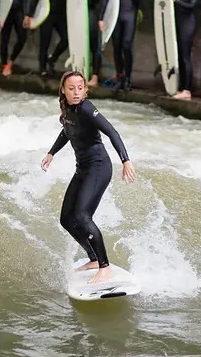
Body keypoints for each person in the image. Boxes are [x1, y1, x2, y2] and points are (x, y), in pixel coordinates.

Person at [40, 71, 137, 284]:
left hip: (99, 167)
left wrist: (125, 160)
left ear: (85, 90)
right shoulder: (67, 110)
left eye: (80, 88)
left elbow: (112, 132)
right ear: (63, 90)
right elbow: (67, 131)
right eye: (71, 88)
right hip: (82, 169)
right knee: (66, 219)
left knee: (83, 217)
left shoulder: (86, 108)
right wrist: (51, 153)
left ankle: (104, 266)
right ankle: (93, 258)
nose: (76, 92)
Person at [99, 0, 148, 92]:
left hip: (130, 15)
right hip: (116, 17)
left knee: (127, 46)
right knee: (117, 47)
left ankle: (128, 78)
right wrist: (102, 18)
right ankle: (120, 78)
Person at [33, 0, 68, 77]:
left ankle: (52, 59)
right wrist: (29, 15)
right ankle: (42, 68)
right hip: (47, 16)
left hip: (61, 16)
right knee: (44, 43)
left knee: (66, 39)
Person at [169, 0, 198, 101]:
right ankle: (181, 87)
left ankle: (187, 90)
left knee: (185, 56)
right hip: (178, 24)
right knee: (179, 56)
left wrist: (176, 0)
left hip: (188, 24)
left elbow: (192, 5)